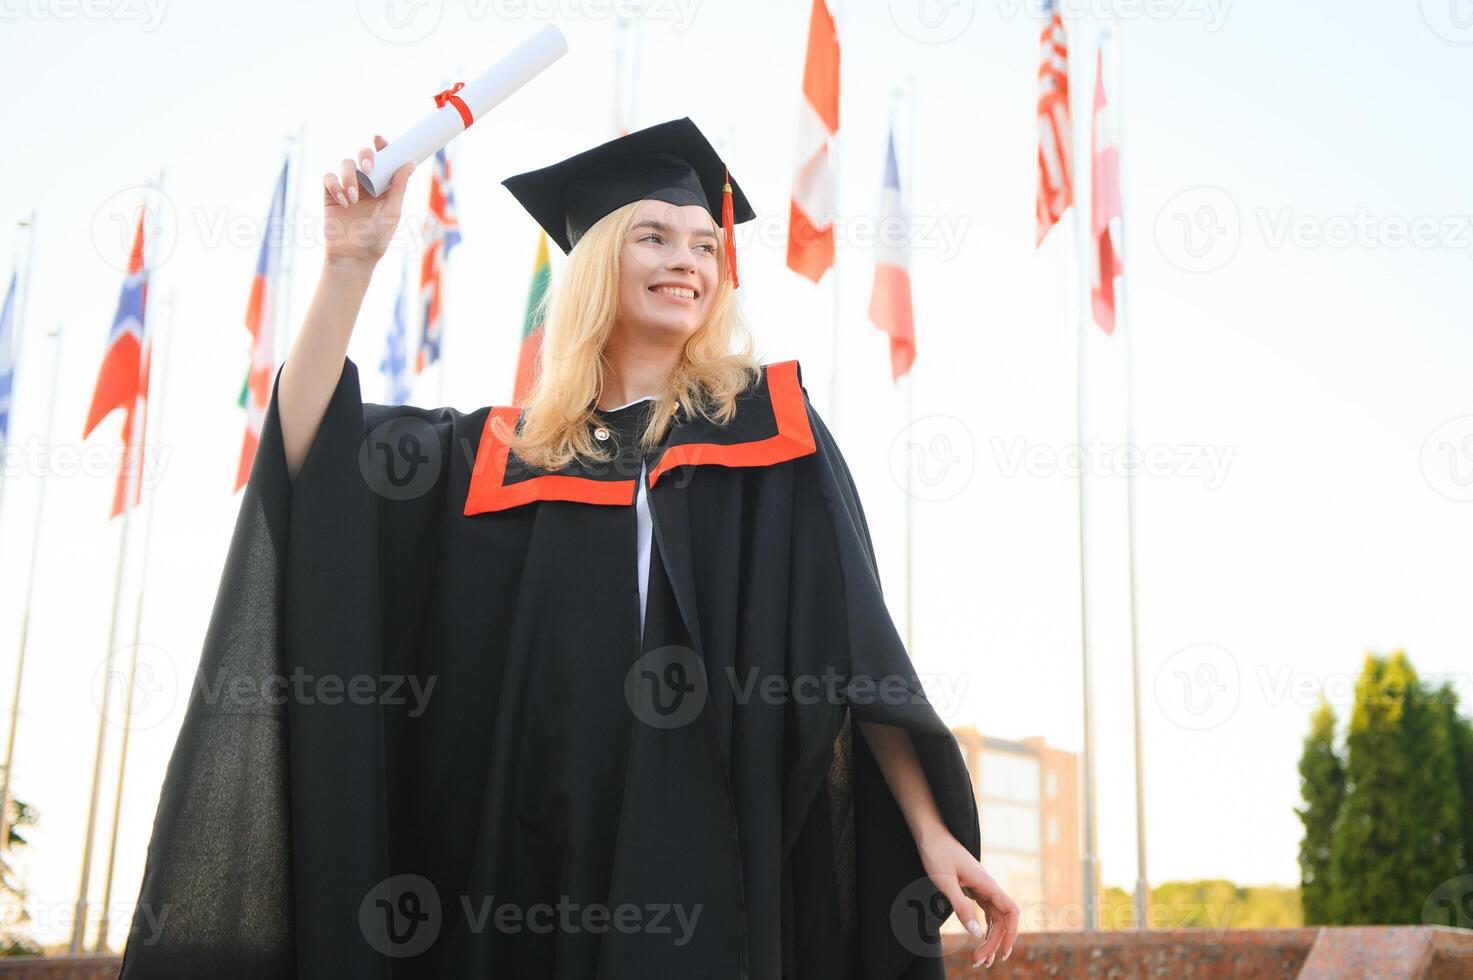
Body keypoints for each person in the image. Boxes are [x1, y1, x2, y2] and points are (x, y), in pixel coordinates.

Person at [118, 117, 1019, 978]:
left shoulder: (773, 429)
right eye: (656, 238)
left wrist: (930, 829)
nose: (688, 262)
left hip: (711, 826)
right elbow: (308, 452)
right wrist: (349, 265)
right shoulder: (505, 453)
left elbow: (852, 644)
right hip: (532, 835)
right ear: (595, 265)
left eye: (706, 245)